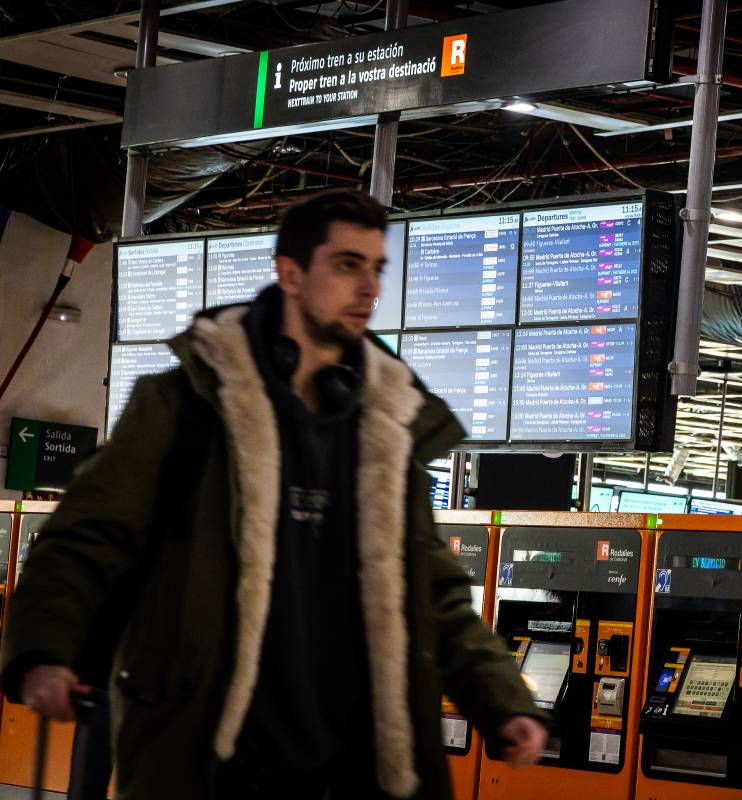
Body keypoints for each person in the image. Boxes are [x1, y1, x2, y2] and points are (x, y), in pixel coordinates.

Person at [1, 189, 549, 800]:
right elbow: (85, 538)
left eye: (376, 268)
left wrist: (503, 702)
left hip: (360, 763)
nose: (369, 286)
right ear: (290, 273)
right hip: (215, 758)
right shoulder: (185, 408)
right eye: (347, 264)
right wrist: (43, 651)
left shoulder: (386, 430)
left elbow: (434, 593)